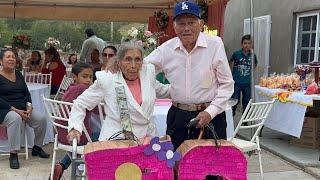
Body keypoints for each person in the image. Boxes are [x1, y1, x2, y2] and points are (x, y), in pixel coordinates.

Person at [143, 1, 234, 150]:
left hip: (210, 116)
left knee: (210, 168)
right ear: (174, 26)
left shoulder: (215, 45)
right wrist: (163, 90)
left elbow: (227, 84)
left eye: (191, 23)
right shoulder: (166, 49)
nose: (186, 28)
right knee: (177, 164)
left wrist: (210, 112)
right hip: (178, 117)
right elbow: (142, 69)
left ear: (201, 24)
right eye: (181, 23)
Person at [67, 44, 170, 143]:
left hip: (146, 140)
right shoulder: (108, 79)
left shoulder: (147, 75)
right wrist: (75, 128)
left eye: (137, 60)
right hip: (116, 141)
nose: (133, 65)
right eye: (128, 60)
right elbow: (80, 103)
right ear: (119, 62)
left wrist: (183, 89)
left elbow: (164, 91)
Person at [0, 48, 49, 169]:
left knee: (41, 118)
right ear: (1, 61)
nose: (11, 59)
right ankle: (13, 154)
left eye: (13, 56)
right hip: (5, 110)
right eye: (8, 57)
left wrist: (30, 107)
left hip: (23, 109)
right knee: (15, 118)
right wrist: (16, 110)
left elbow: (26, 93)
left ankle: (37, 148)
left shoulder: (18, 74)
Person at [50, 62, 95, 180]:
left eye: (91, 77)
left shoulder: (71, 88)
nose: (89, 80)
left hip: (61, 134)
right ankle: (95, 172)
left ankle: (61, 165)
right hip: (76, 136)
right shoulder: (83, 89)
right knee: (104, 136)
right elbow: (96, 109)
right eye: (84, 76)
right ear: (75, 77)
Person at [229, 34, 257, 117]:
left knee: (247, 101)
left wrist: (249, 72)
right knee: (235, 100)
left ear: (251, 45)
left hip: (247, 83)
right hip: (236, 82)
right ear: (242, 44)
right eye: (245, 43)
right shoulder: (236, 54)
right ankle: (232, 115)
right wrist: (230, 75)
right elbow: (230, 62)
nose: (247, 45)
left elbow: (255, 64)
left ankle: (245, 118)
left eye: (249, 43)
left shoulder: (253, 55)